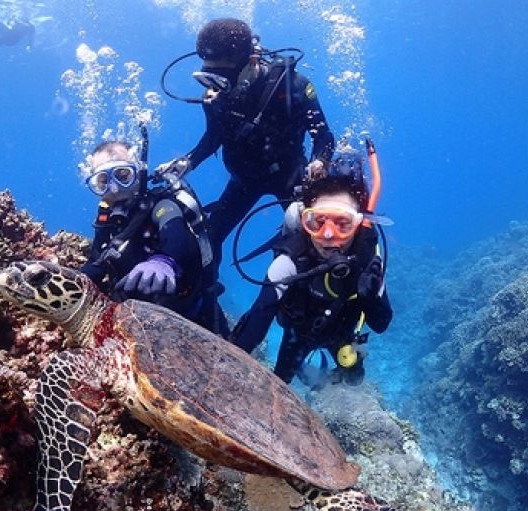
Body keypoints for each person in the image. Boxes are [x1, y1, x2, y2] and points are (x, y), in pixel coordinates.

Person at [156, 18, 335, 261]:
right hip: (244, 179)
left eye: (222, 77)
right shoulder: (216, 96)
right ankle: (205, 296)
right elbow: (213, 137)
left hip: (290, 175)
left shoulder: (293, 85)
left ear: (251, 61)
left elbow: (323, 137)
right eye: (208, 76)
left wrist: (320, 163)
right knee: (207, 239)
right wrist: (188, 162)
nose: (216, 87)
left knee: (305, 238)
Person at [229, 154, 392, 385]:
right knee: (280, 381)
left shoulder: (368, 262)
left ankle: (324, 377)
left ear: (357, 225)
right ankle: (305, 372)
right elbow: (257, 321)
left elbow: (381, 324)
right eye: (317, 221)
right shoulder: (289, 262)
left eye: (342, 224)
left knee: (354, 378)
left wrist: (371, 298)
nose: (327, 234)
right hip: (299, 334)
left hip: (343, 335)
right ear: (305, 222)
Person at [81, 138, 228, 336]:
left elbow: (177, 235)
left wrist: (163, 261)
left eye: (122, 175)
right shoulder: (106, 222)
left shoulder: (160, 205)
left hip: (193, 319)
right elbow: (96, 265)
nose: (114, 188)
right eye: (103, 181)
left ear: (139, 173)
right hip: (135, 323)